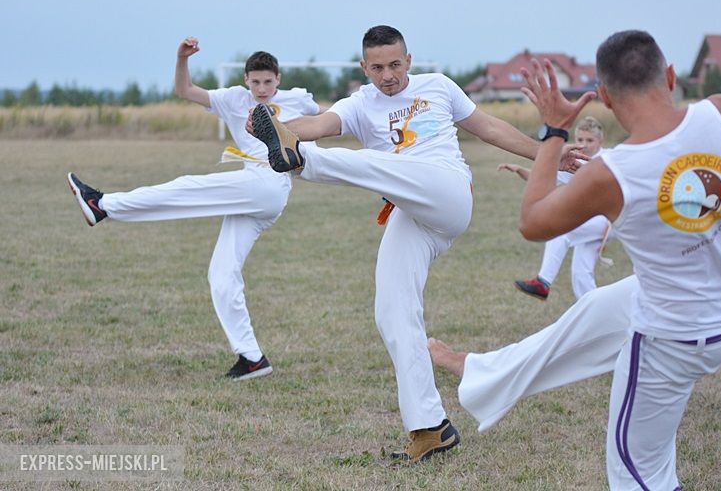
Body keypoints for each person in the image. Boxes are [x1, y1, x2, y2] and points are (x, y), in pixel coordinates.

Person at [431, 30, 721, 489]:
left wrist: (554, 132)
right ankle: (481, 370)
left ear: (606, 100)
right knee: (599, 307)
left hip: (674, 340)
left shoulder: (612, 174)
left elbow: (532, 222)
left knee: (638, 475)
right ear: (671, 76)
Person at [244, 25, 590, 463]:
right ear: (363, 67)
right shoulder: (359, 104)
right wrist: (273, 126)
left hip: (446, 192)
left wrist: (549, 152)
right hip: (410, 212)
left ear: (408, 60)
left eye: (394, 64)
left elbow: (487, 127)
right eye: (377, 67)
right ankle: (430, 428)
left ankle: (299, 159)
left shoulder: (438, 87)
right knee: (391, 311)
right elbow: (317, 123)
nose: (386, 75)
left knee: (377, 164)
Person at [66, 37, 320, 381]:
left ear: (279, 80)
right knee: (221, 274)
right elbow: (184, 90)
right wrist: (181, 58)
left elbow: (335, 118)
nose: (262, 88)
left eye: (268, 82)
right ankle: (252, 358)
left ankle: (103, 205)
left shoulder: (296, 99)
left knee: (185, 187)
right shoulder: (232, 98)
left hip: (270, 183)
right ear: (246, 79)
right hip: (255, 190)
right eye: (256, 81)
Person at [498, 116, 612, 300]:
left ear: (601, 141)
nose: (584, 144)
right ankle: (598, 317)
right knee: (581, 273)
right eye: (580, 140)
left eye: (590, 140)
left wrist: (609, 224)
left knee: (561, 231)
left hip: (609, 219)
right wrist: (519, 169)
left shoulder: (608, 158)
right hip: (591, 219)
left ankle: (543, 282)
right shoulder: (576, 162)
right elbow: (546, 177)